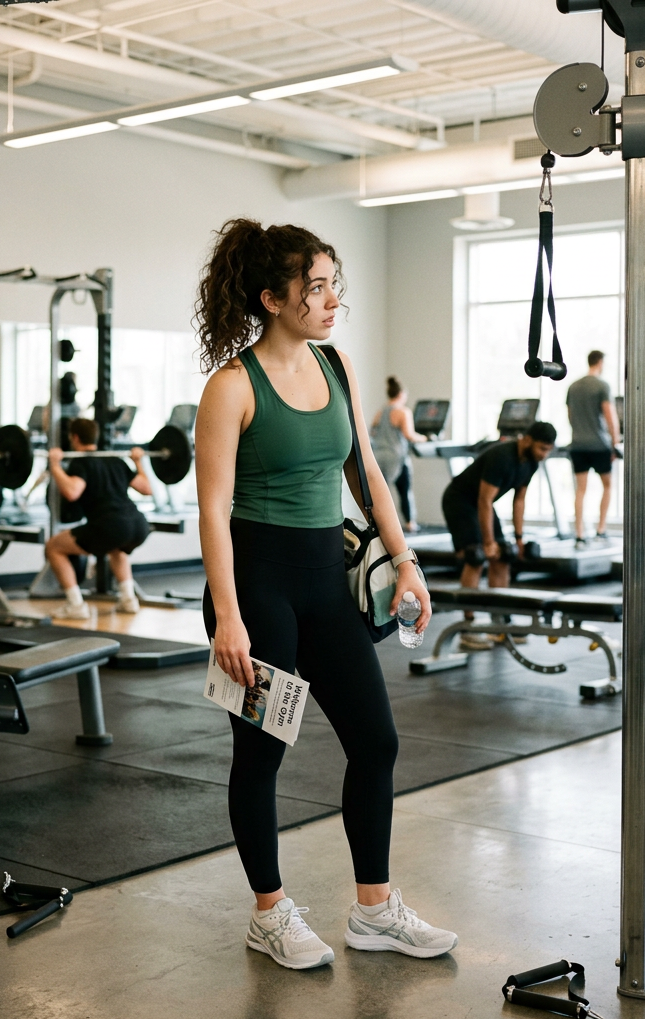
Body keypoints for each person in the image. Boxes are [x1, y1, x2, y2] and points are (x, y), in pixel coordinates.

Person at [194, 218, 457, 971]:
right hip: (255, 592)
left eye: (334, 283)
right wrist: (230, 619)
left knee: (376, 741)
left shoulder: (335, 365)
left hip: (325, 584)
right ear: (274, 298)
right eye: (318, 288)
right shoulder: (232, 386)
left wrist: (407, 561)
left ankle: (373, 910)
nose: (334, 299)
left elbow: (366, 474)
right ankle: (269, 914)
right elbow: (211, 510)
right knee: (262, 751)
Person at [441, 422, 557, 650]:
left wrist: (519, 538)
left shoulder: (531, 463)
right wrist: (488, 542)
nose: (544, 455)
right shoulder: (502, 456)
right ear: (527, 439)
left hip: (481, 504)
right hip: (460, 500)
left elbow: (519, 500)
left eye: (548, 450)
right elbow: (484, 499)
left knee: (504, 556)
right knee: (476, 557)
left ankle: (499, 620)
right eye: (542, 448)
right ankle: (468, 627)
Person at [45, 418, 152, 619]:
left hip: (110, 525)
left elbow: (72, 492)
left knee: (53, 547)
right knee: (116, 548)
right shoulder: (114, 459)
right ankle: (129, 600)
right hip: (138, 524)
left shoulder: (80, 462)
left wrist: (55, 466)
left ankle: (75, 605)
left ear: (74, 437)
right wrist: (138, 462)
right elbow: (146, 489)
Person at [566, 350, 619, 547]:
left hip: (578, 444)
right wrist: (615, 443)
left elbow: (570, 415)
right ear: (600, 362)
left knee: (580, 490)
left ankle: (580, 534)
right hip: (599, 445)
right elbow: (610, 416)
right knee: (607, 485)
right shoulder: (602, 386)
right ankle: (601, 529)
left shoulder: (573, 386)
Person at [371, 376, 426, 532]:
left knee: (380, 494)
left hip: (378, 456)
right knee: (404, 491)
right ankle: (410, 523)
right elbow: (409, 435)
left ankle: (379, 526)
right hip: (396, 457)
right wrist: (424, 438)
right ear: (401, 394)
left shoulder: (380, 412)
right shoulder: (403, 412)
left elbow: (373, 432)